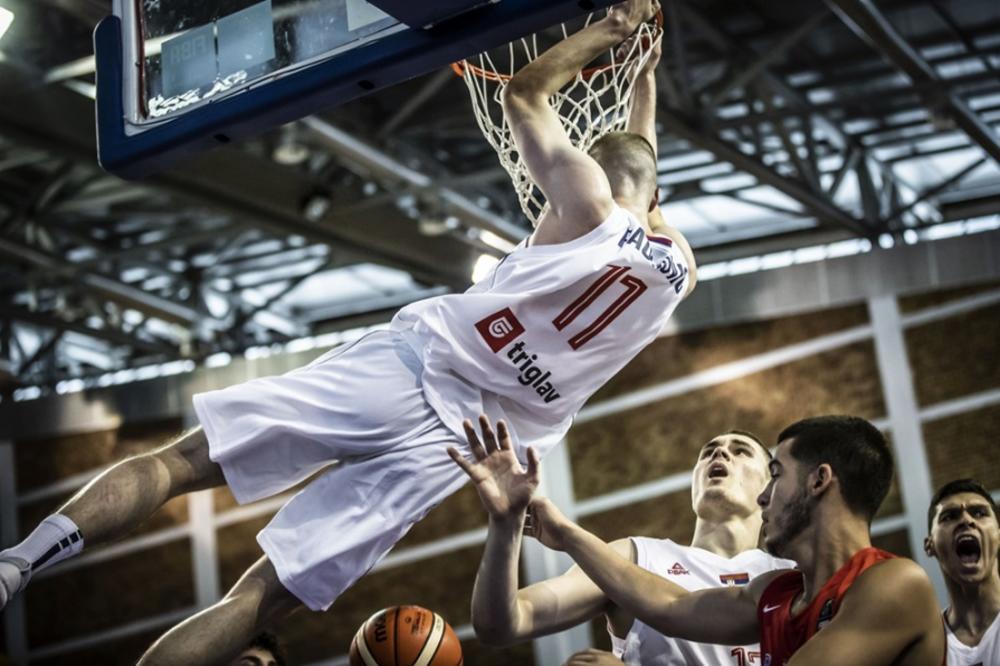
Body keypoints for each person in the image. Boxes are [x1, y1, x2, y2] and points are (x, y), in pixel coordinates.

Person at [0, 2, 695, 663]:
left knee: (182, 465)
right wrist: (643, 82)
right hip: (465, 444)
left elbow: (523, 93)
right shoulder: (677, 270)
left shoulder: (587, 203)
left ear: (596, 168)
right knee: (262, 596)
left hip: (412, 367)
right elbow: (644, 182)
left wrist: (612, 31)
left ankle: (18, 562)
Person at [485, 415, 945, 665]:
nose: (767, 495)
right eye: (708, 451)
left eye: (776, 474)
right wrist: (557, 531)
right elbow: (670, 606)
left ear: (819, 481)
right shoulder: (777, 594)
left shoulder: (893, 583)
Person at [452, 417, 793, 665]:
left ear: (769, 485)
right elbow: (501, 624)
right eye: (709, 452)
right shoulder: (635, 557)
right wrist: (505, 524)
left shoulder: (794, 571)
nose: (719, 455)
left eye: (740, 451)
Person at [925, 478, 1000, 666]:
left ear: (999, 536)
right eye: (949, 516)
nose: (967, 520)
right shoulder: (926, 647)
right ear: (930, 545)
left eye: (979, 513)